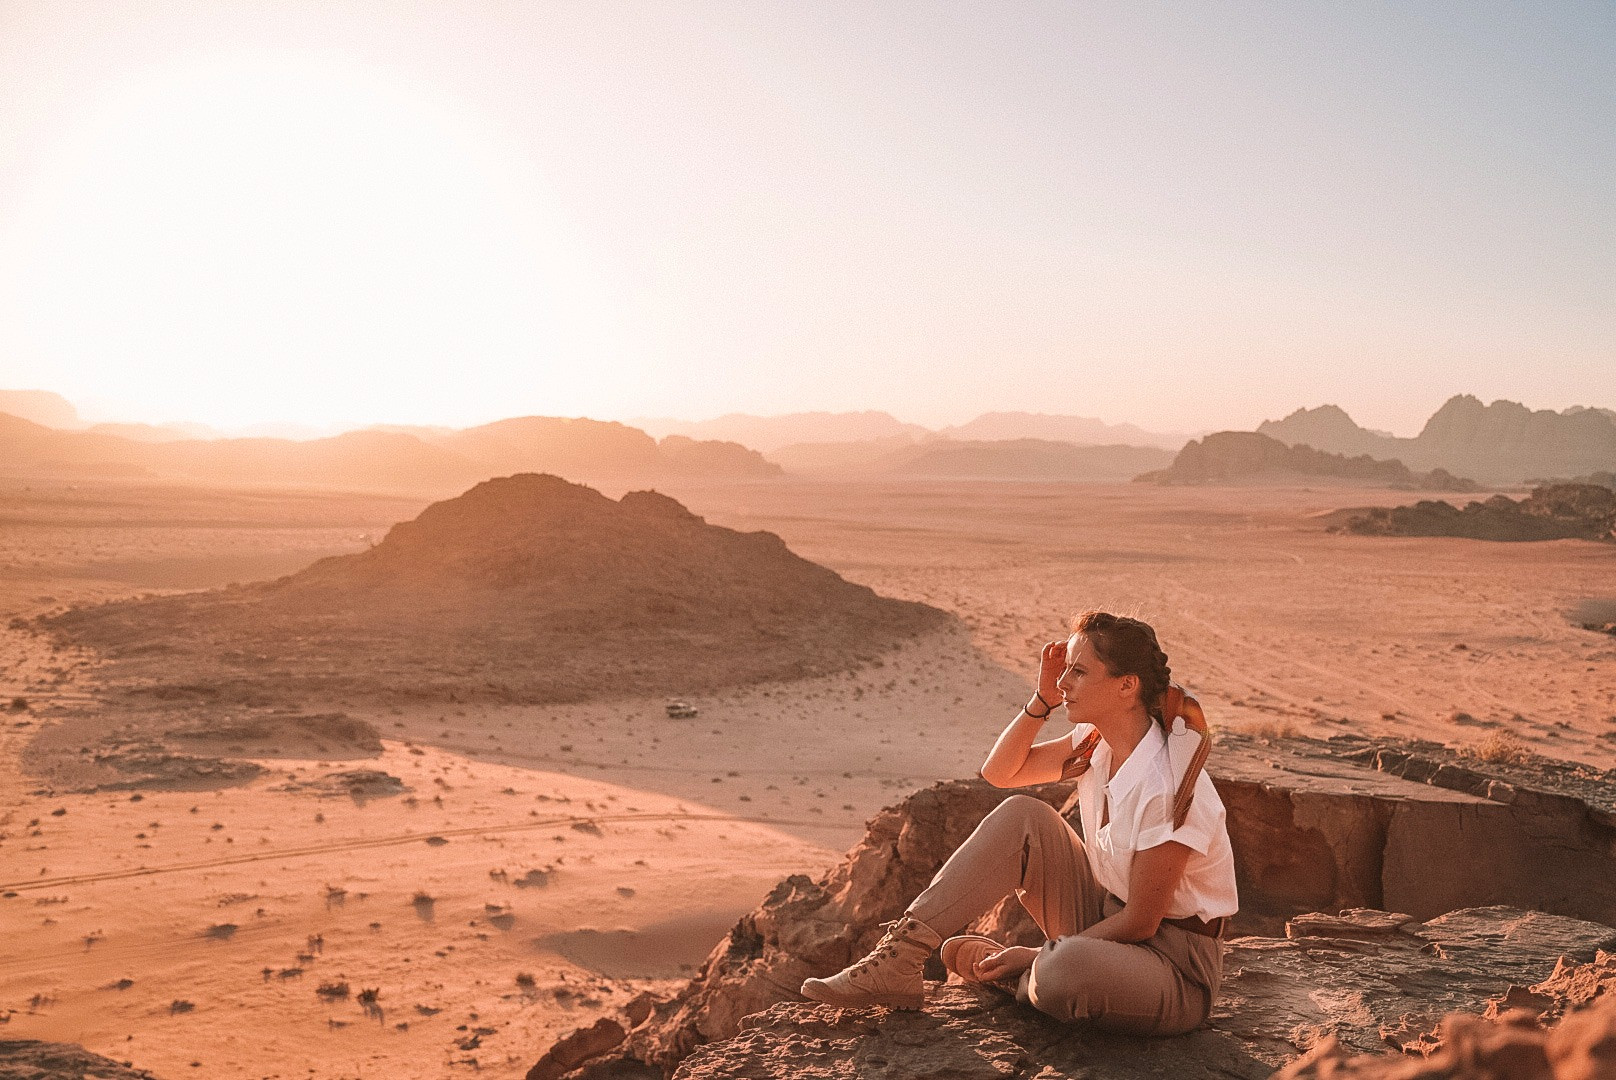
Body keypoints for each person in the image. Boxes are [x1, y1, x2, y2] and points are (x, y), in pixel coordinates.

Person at [800, 611, 1237, 1036]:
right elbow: (1001, 773)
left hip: (1173, 970)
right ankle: (900, 957)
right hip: (1106, 925)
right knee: (1021, 816)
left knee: (1065, 970)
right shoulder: (1095, 745)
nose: (1064, 683)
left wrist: (1033, 954)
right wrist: (1041, 702)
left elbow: (1142, 921)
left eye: (1079, 673)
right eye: (1065, 671)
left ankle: (1026, 973)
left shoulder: (1167, 785)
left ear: (1127, 685)